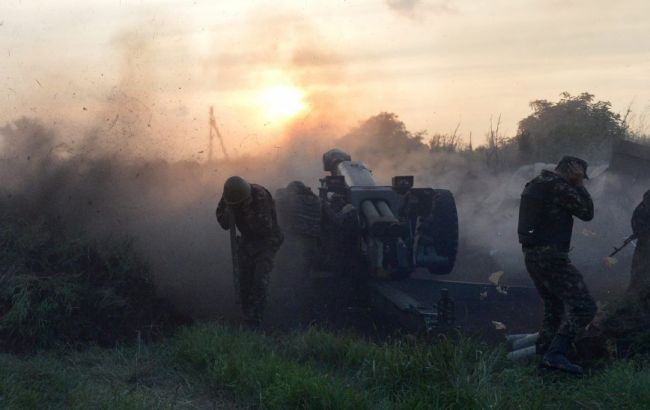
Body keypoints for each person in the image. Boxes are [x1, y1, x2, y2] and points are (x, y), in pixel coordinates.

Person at [518, 156, 597, 374]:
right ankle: (556, 354)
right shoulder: (559, 187)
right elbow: (587, 213)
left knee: (554, 308)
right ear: (573, 171)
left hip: (532, 255)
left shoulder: (536, 183)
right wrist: (579, 184)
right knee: (585, 307)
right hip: (551, 256)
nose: (580, 180)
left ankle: (544, 356)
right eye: (580, 175)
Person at [216, 176, 284, 326]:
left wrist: (246, 209)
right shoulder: (229, 196)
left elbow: (264, 228)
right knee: (244, 281)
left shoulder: (259, 195)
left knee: (259, 279)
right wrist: (229, 211)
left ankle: (258, 317)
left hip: (267, 240)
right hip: (247, 241)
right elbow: (223, 223)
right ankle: (247, 315)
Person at [627, 190, 650, 300]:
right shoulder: (643, 208)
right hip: (645, 246)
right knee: (639, 278)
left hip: (644, 245)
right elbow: (638, 226)